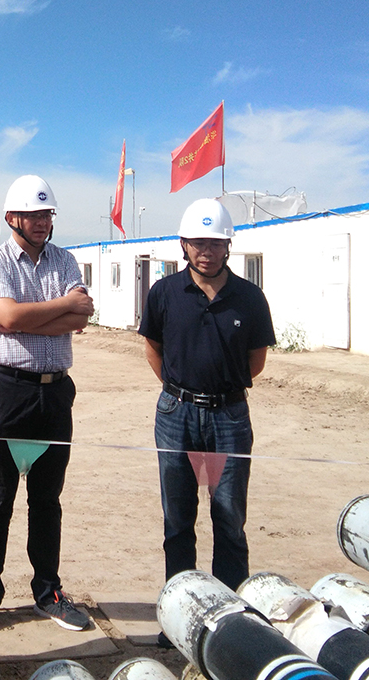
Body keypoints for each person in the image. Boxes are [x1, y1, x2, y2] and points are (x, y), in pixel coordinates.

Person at [0, 175, 94, 638]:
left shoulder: (65, 260)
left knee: (46, 498)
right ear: (12, 218)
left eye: (46, 215)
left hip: (54, 392)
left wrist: (20, 319)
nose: (41, 222)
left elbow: (81, 315)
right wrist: (53, 310)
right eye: (32, 215)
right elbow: (7, 314)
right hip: (8, 390)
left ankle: (47, 591)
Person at [138, 198, 275, 604]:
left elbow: (256, 361)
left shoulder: (249, 298)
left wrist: (217, 389)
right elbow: (153, 348)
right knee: (178, 519)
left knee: (229, 517)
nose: (206, 251)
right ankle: (181, 608)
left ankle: (231, 613)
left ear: (228, 245)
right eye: (198, 242)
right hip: (175, 416)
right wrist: (182, 391)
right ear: (184, 244)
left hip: (229, 417)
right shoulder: (164, 293)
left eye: (215, 243)